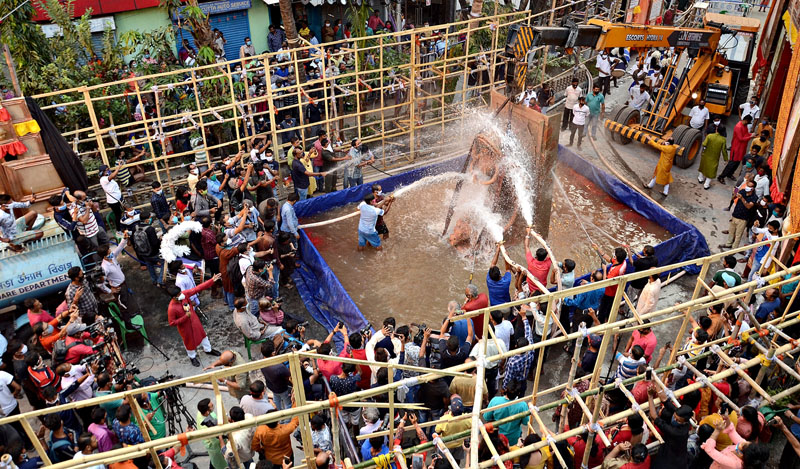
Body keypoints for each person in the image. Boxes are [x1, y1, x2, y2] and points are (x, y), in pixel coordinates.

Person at [166, 275, 222, 367]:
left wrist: (211, 280)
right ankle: (192, 357)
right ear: (174, 297)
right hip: (185, 328)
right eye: (179, 295)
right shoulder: (172, 308)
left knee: (203, 336)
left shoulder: (184, 294)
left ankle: (208, 350)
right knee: (189, 342)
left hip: (195, 322)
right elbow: (172, 323)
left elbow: (197, 288)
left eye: (180, 292)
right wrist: (185, 317)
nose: (181, 295)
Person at [719, 180, 757, 249]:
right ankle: (728, 244)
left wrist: (742, 198)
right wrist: (735, 193)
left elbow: (748, 206)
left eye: (749, 186)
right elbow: (734, 197)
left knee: (738, 235)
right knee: (731, 231)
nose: (747, 187)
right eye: (747, 185)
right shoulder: (742, 191)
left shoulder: (754, 197)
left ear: (753, 188)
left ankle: (734, 248)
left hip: (743, 219)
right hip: (735, 215)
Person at [718, 116, 755, 183]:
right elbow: (741, 138)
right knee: (731, 163)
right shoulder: (739, 127)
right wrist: (750, 136)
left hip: (741, 148)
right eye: (749, 122)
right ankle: (721, 176)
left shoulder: (744, 126)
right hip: (736, 148)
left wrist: (751, 135)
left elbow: (746, 134)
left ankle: (730, 174)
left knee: (737, 163)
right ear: (746, 120)